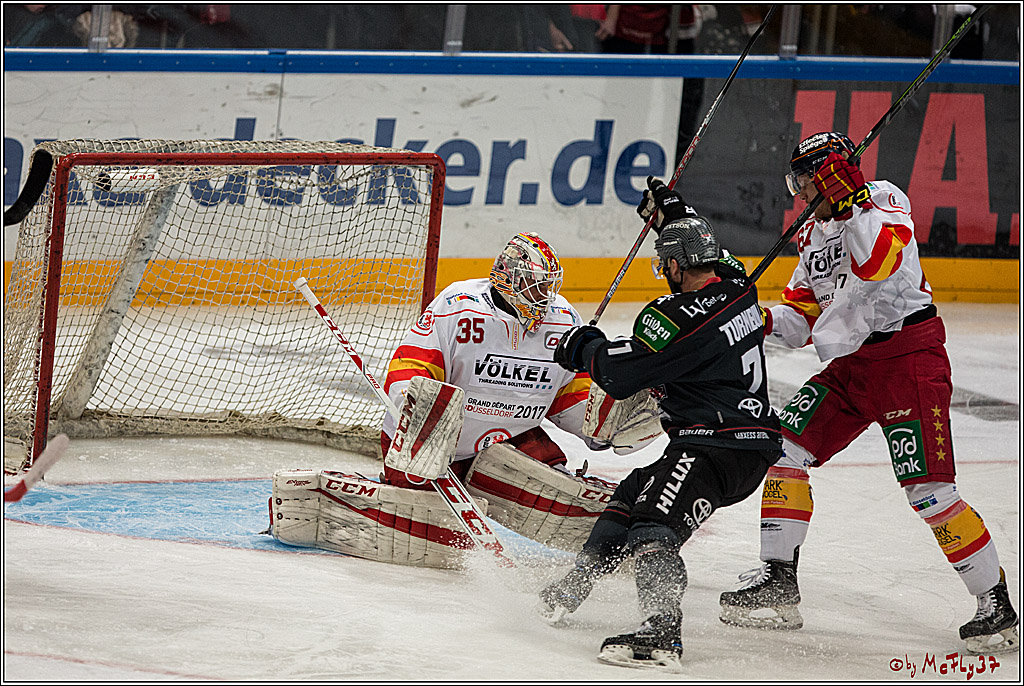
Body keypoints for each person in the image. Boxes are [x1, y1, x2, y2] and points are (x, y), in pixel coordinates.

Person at [717, 132, 1019, 655]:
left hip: (908, 360)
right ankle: (778, 582)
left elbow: (877, 265)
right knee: (782, 451)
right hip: (850, 368)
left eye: (805, 179)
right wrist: (751, 318)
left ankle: (995, 605)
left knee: (930, 494)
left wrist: (855, 203)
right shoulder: (812, 234)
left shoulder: (883, 199)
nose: (801, 191)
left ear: (828, 173)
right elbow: (800, 319)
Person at [542, 178, 784, 671]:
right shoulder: (740, 288)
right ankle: (574, 587)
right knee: (631, 496)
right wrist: (673, 211)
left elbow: (620, 372)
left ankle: (660, 634)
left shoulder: (672, 315)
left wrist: (582, 345)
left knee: (654, 523)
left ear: (674, 267)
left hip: (717, 446)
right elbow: (715, 257)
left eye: (666, 264)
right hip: (739, 442)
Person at [380, 231, 659, 550]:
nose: (546, 294)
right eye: (537, 284)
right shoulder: (459, 305)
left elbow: (568, 393)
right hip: (434, 440)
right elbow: (413, 363)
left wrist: (604, 423)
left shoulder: (563, 319)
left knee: (560, 498)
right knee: (428, 532)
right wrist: (412, 408)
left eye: (549, 285)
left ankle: (611, 542)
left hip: (510, 438)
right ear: (508, 278)